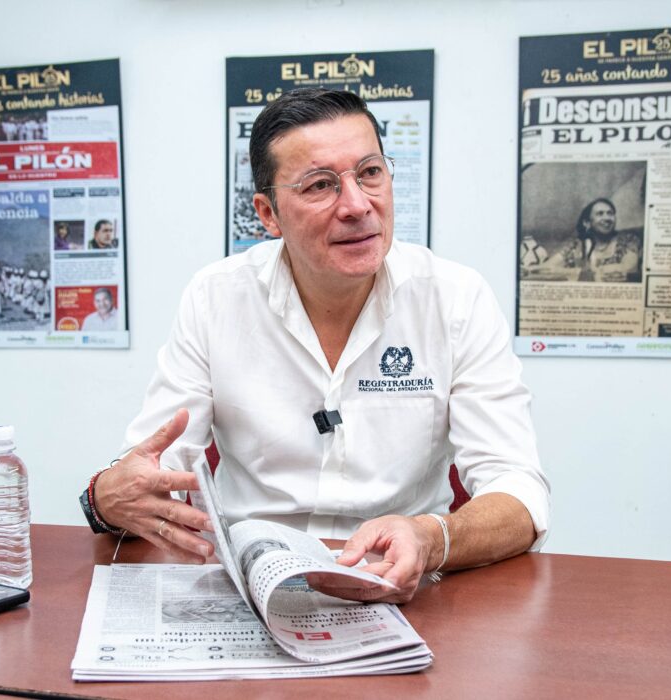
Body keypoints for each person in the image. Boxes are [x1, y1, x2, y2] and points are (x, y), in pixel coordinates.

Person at [83, 88, 550, 604]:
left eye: (370, 172)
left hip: (406, 588)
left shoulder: (455, 299)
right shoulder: (216, 297)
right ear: (268, 214)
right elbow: (149, 469)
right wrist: (107, 495)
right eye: (320, 185)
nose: (357, 205)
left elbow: (520, 494)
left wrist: (429, 538)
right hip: (247, 585)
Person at [542, 198, 642, 282]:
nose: (607, 218)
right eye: (600, 214)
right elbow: (546, 269)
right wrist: (583, 273)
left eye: (610, 213)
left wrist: (572, 273)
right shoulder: (575, 246)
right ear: (587, 223)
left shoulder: (628, 240)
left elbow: (629, 268)